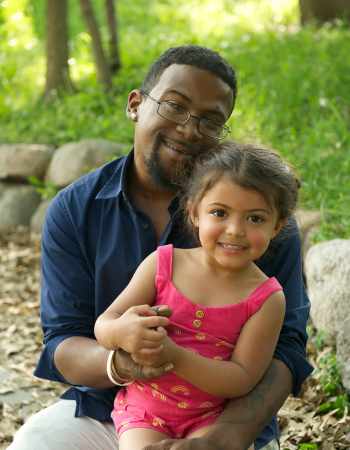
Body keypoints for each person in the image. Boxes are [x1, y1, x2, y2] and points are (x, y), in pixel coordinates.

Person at [8, 45, 312, 450]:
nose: (189, 129)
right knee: (36, 442)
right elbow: (64, 340)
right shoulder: (75, 209)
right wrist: (121, 363)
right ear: (135, 105)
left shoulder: (260, 221)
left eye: (209, 120)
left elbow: (287, 347)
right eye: (174, 106)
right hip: (115, 408)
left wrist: (226, 437)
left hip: (224, 416)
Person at [94, 142, 300, 450]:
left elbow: (241, 377)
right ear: (194, 213)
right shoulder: (163, 265)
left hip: (214, 418)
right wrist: (122, 332)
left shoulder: (266, 299)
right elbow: (104, 324)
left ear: (277, 226)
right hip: (146, 411)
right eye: (219, 213)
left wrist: (175, 356)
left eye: (255, 218)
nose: (234, 230)